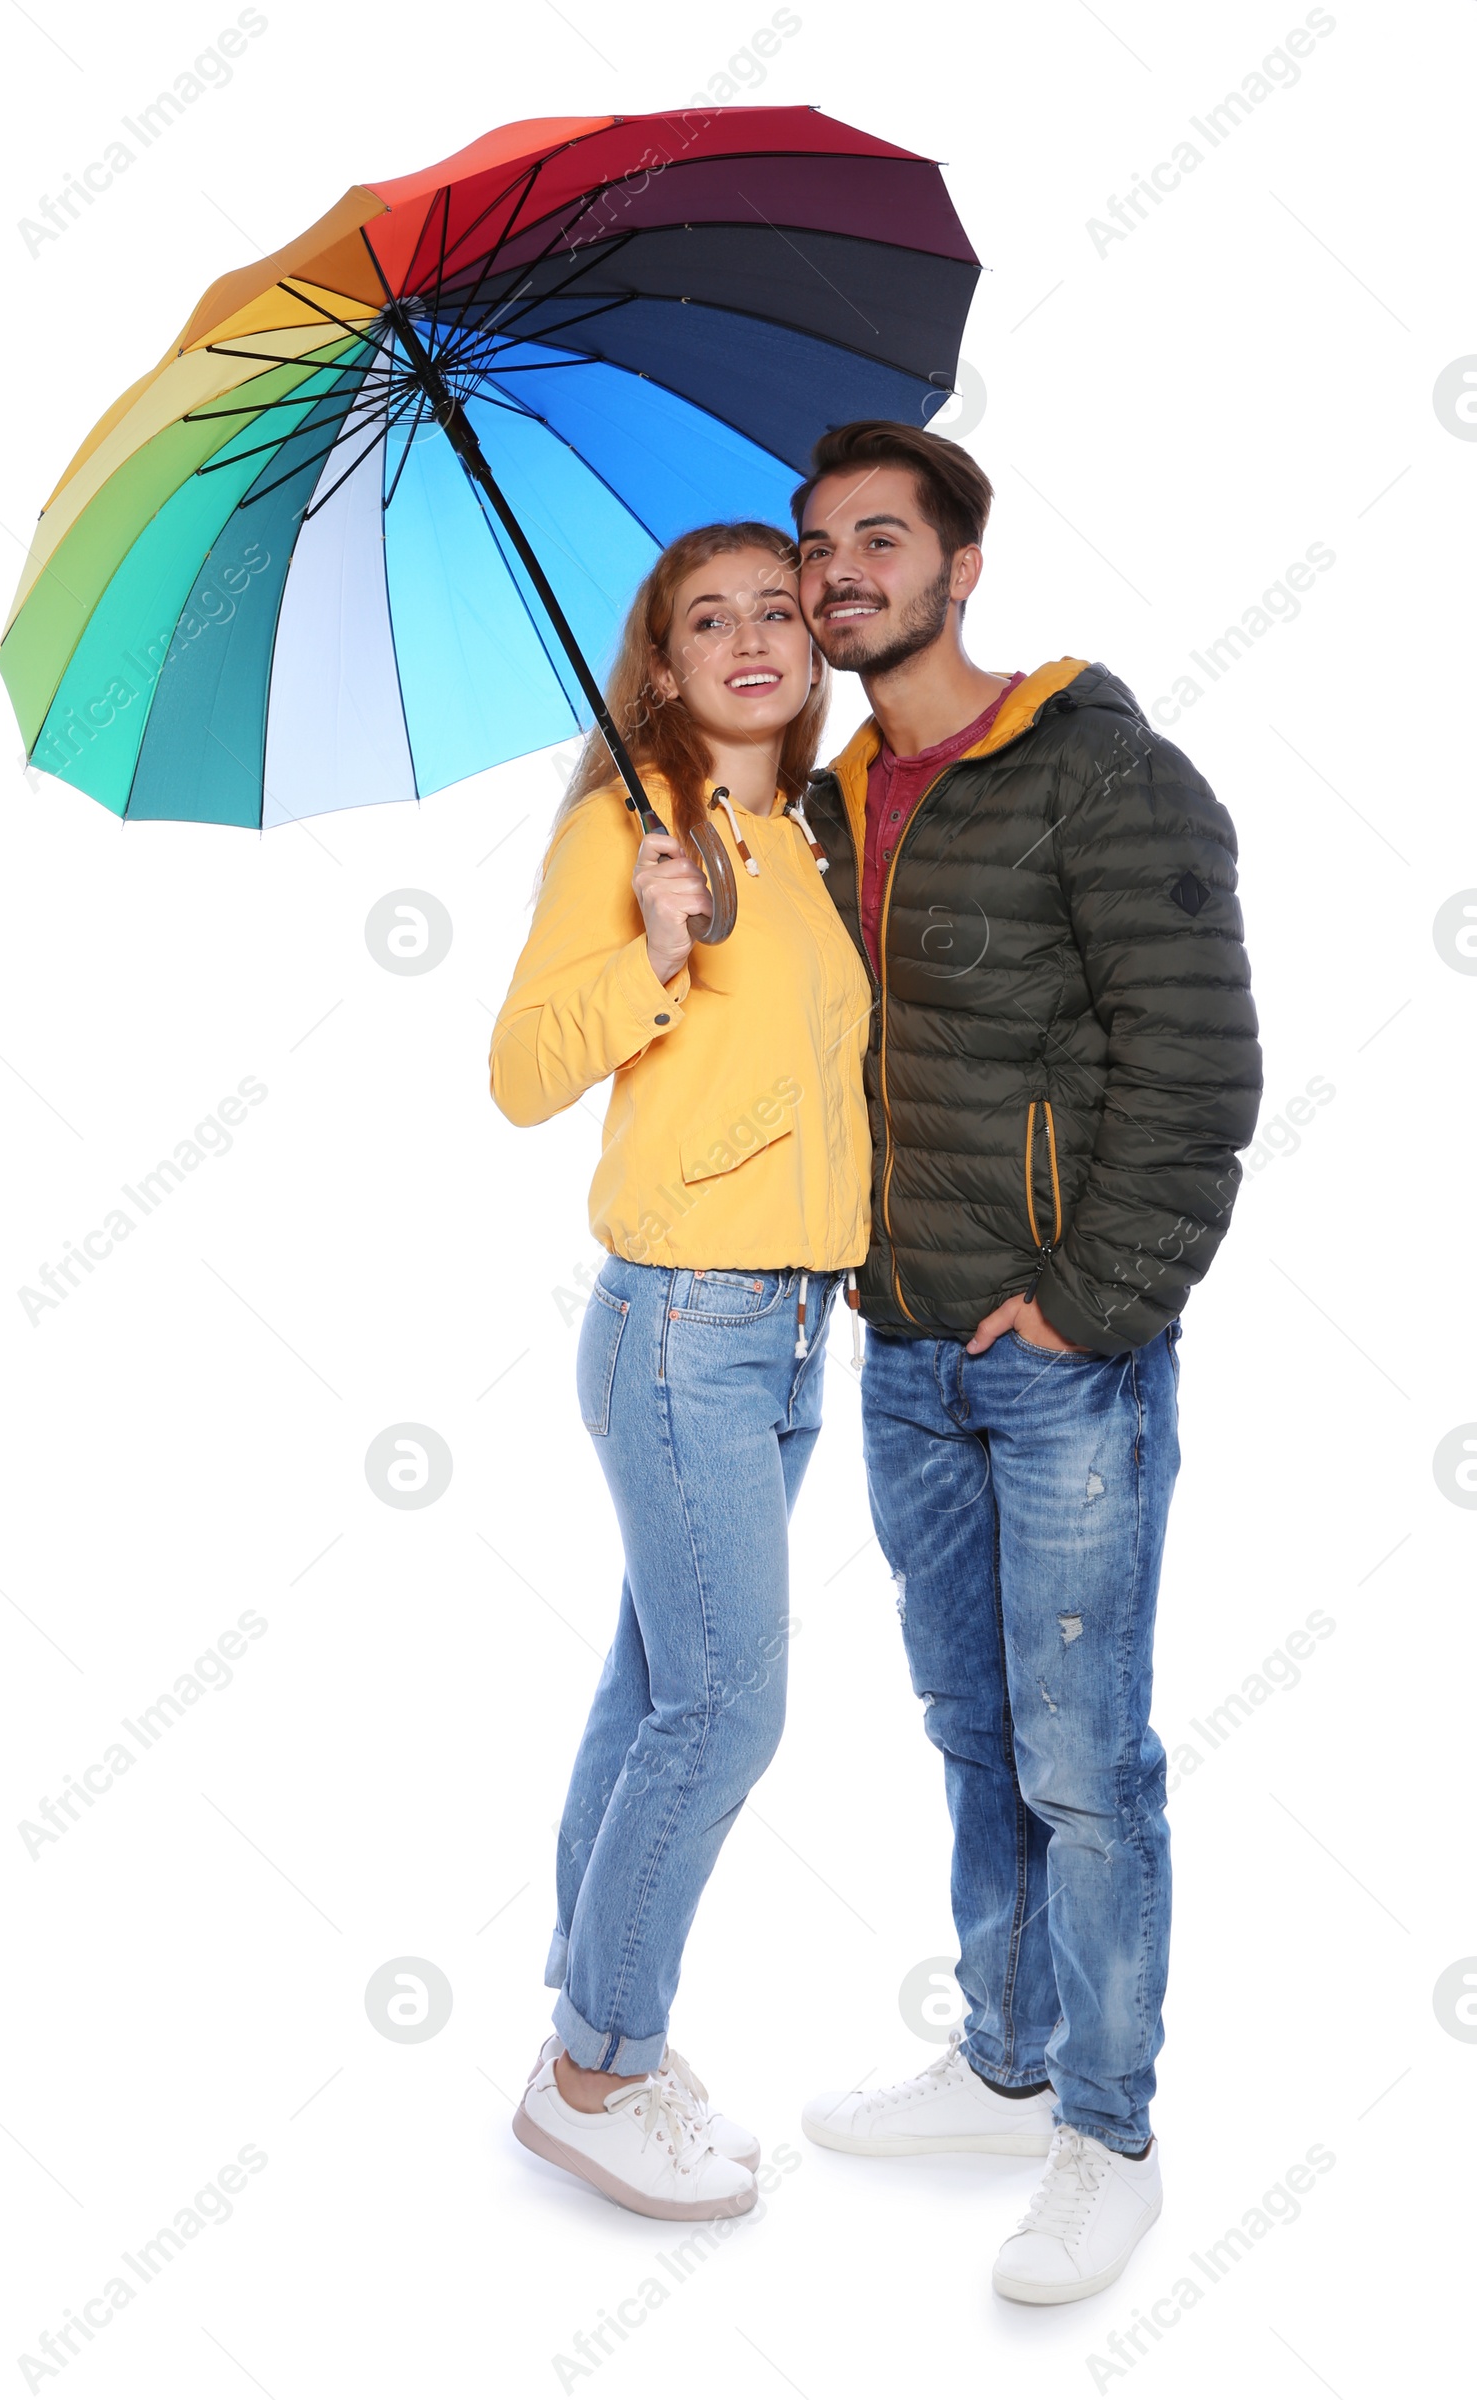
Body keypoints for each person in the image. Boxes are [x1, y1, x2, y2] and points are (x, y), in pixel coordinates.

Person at [790, 421, 1262, 2302]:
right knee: (971, 1735)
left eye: (879, 540)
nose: (841, 574)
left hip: (1060, 1361)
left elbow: (1199, 1070)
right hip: (903, 1350)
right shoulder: (821, 809)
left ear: (960, 565)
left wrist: (1091, 1303)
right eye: (819, 545)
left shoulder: (1101, 775)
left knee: (1085, 1762)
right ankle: (1004, 2062)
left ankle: (1107, 2132)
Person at [489, 521, 873, 2223]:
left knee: (657, 1688)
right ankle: (599, 2075)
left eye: (776, 611)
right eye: (704, 619)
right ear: (656, 665)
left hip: (792, 1324)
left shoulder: (792, 834)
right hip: (683, 1325)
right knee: (728, 1707)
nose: (748, 639)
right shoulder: (624, 829)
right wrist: (644, 954)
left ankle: (590, 2018)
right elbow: (515, 1073)